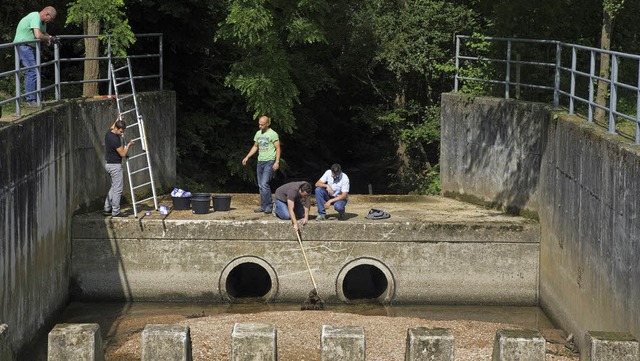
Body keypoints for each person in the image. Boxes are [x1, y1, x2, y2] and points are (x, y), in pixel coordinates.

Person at [13, 6, 57, 106]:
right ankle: (31, 100)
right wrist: (47, 38)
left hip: (30, 46)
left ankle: (34, 99)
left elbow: (43, 33)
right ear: (47, 15)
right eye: (51, 19)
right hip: (24, 45)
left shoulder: (42, 22)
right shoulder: (35, 16)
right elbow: (38, 35)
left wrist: (50, 38)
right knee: (32, 71)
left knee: (34, 70)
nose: (51, 21)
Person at [242, 115, 281, 214]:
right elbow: (255, 146)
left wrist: (277, 162)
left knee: (264, 184)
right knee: (260, 185)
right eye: (259, 124)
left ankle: (269, 205)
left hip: (269, 161)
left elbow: (278, 148)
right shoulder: (258, 133)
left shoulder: (273, 134)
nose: (260, 126)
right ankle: (263, 206)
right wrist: (247, 157)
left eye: (262, 125)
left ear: (267, 124)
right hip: (260, 161)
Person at [104, 118, 135, 217]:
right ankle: (116, 211)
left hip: (108, 164)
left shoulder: (109, 133)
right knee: (118, 189)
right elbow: (122, 153)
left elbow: (112, 126)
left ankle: (107, 208)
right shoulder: (114, 140)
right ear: (117, 128)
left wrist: (117, 119)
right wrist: (129, 145)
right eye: (121, 131)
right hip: (115, 166)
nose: (122, 133)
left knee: (114, 187)